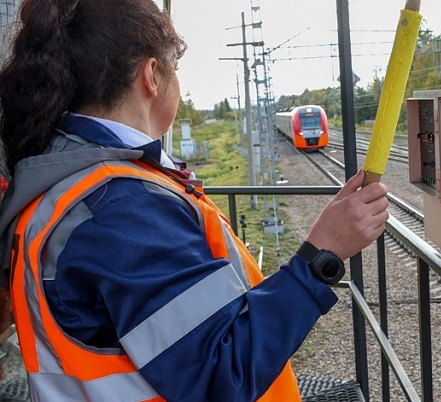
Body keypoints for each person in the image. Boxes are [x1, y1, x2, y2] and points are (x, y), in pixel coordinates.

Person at [0, 0, 390, 401]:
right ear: (152, 75)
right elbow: (221, 375)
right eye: (176, 69)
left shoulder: (65, 182)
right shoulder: (120, 207)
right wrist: (321, 255)